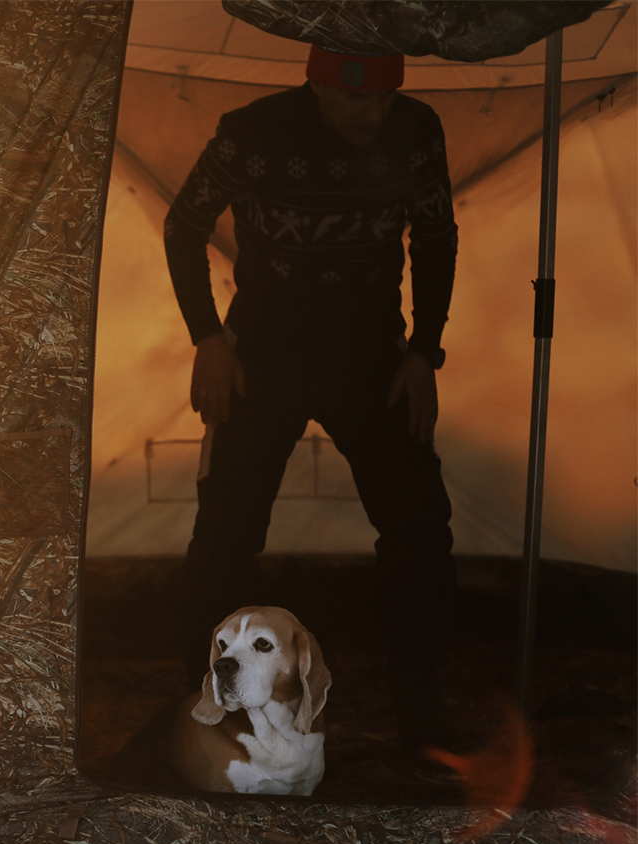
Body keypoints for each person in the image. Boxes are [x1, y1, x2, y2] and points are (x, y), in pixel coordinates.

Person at [165, 46, 457, 743]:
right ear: (319, 85)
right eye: (358, 100)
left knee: (419, 524)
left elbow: (437, 236)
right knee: (227, 531)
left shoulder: (416, 130)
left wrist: (424, 351)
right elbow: (185, 225)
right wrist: (207, 338)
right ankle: (204, 705)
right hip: (265, 350)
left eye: (385, 99)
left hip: (370, 352)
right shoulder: (253, 132)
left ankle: (421, 701)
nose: (373, 114)